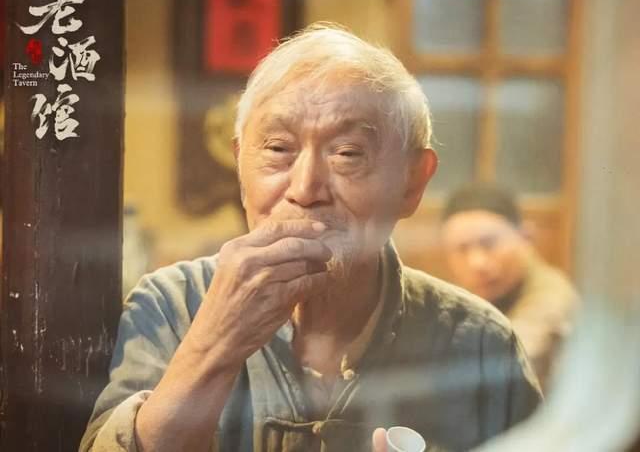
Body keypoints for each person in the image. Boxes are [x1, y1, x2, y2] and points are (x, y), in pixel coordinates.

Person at [81, 24, 541, 452]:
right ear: (240, 166)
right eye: (278, 149)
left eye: (347, 153)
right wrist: (213, 345)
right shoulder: (170, 308)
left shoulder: (481, 344)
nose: (304, 190)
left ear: (412, 182)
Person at [440, 183, 578, 390]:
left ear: (526, 238)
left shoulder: (553, 297)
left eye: (489, 244)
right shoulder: (463, 296)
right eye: (462, 249)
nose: (477, 263)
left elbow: (499, 365)